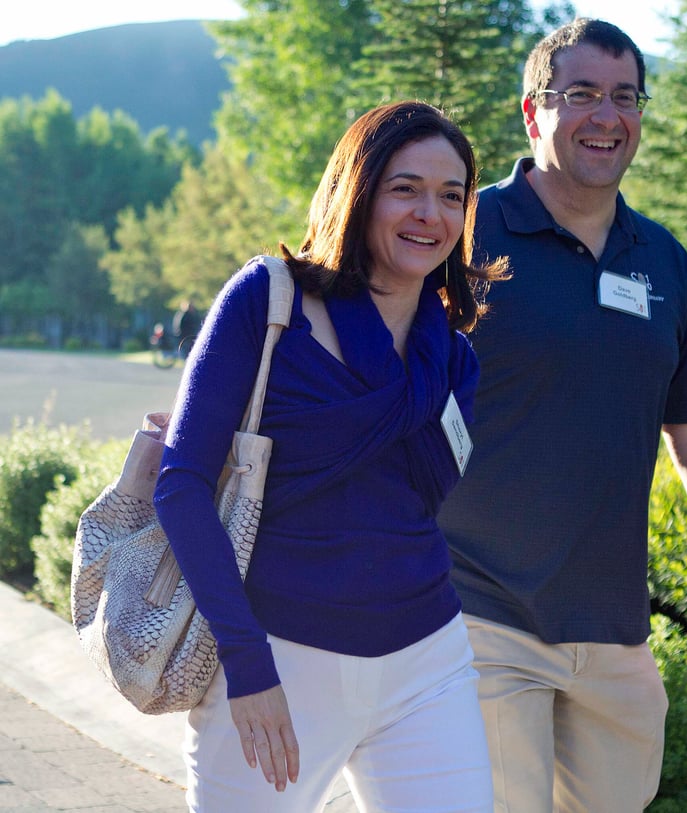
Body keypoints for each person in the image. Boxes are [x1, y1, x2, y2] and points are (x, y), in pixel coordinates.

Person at [435, 19, 687, 813]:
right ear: (533, 111)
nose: (607, 116)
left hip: (613, 625)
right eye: (582, 93)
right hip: (474, 606)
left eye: (625, 97)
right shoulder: (462, 231)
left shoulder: (662, 261)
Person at [153, 101, 508, 812]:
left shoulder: (454, 359)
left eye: (451, 196)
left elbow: (415, 509)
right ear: (360, 190)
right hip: (276, 658)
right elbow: (181, 484)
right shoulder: (267, 302)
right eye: (405, 188)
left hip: (426, 661)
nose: (430, 214)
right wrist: (247, 664)